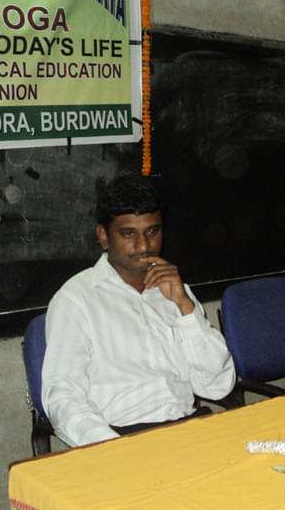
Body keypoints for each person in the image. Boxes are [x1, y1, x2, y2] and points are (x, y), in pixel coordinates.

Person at [41, 174, 236, 447]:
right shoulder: (77, 299)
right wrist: (114, 449)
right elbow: (63, 397)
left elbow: (217, 385)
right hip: (121, 436)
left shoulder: (175, 289)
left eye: (153, 231)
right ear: (104, 237)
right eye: (129, 234)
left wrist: (185, 307)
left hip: (188, 430)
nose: (144, 246)